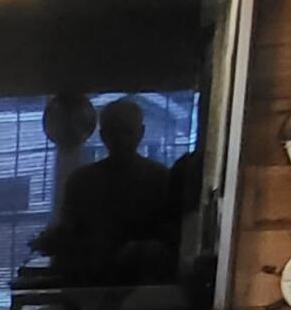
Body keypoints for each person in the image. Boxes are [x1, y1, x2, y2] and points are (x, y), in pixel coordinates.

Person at [33, 97, 182, 288]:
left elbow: (172, 241)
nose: (120, 140)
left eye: (126, 132)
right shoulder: (81, 182)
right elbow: (68, 232)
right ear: (103, 135)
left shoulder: (162, 180)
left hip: (144, 287)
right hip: (88, 285)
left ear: (141, 133)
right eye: (113, 133)